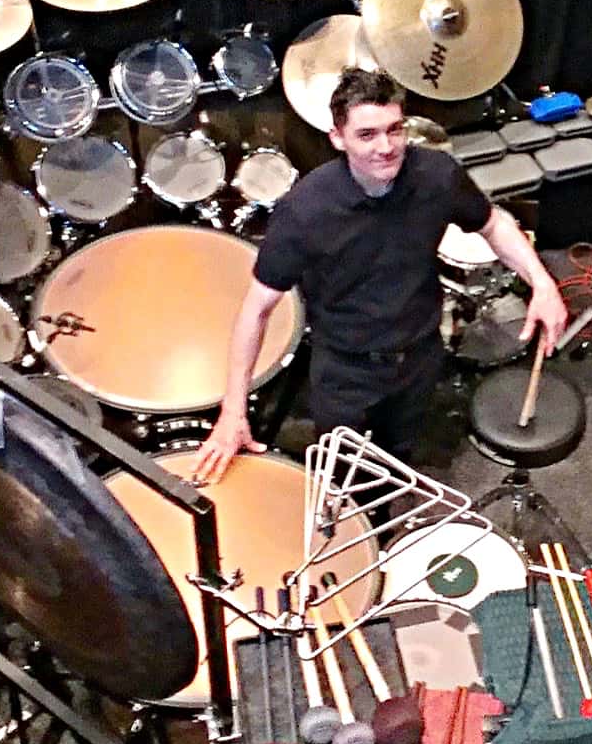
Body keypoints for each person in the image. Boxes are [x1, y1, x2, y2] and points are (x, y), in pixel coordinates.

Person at [191, 69, 567, 478]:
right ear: (338, 138)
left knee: (398, 459)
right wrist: (233, 410)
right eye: (367, 135)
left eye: (394, 130)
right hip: (345, 369)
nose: (385, 147)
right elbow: (256, 310)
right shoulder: (304, 211)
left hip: (420, 354)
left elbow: (492, 224)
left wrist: (542, 282)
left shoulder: (436, 176)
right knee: (342, 474)